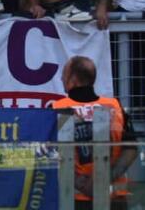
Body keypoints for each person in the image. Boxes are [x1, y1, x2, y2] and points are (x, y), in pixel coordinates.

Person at [51, 56, 136, 208]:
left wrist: (81, 183)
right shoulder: (114, 106)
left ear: (73, 78)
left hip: (74, 197)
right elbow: (131, 149)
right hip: (113, 197)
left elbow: (49, 152)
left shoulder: (57, 109)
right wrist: (105, 178)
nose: (61, 78)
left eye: (64, 74)